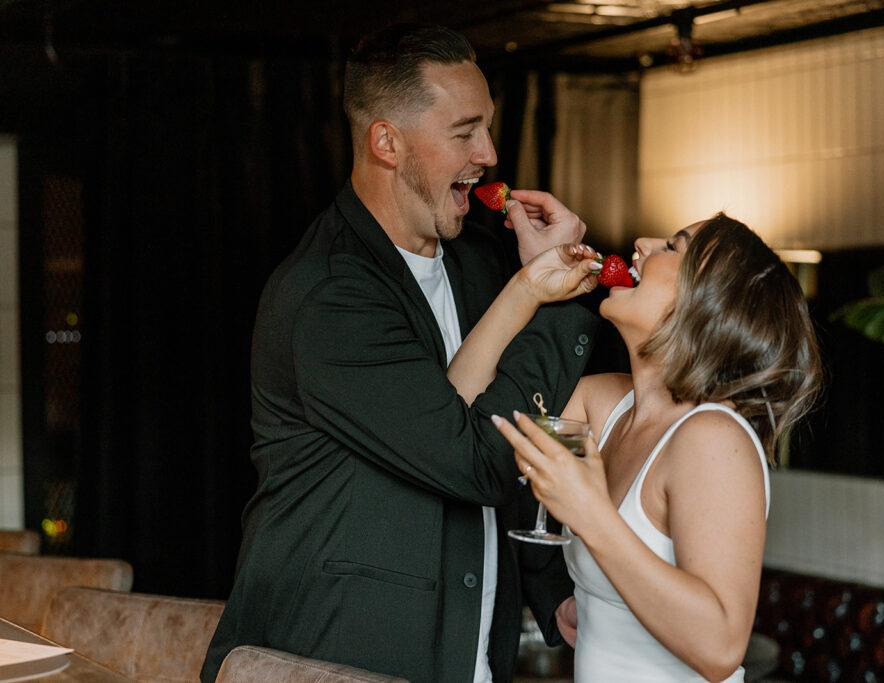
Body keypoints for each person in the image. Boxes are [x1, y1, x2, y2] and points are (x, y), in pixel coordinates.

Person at [201, 23, 603, 683]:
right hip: (337, 657)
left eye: (490, 127)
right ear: (387, 142)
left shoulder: (481, 264)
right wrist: (548, 302)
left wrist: (549, 584)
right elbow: (475, 458)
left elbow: (518, 457)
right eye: (465, 131)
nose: (491, 153)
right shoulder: (328, 297)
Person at [490, 213, 823, 682]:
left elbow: (721, 646)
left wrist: (590, 515)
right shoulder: (602, 403)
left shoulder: (712, 436)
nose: (641, 243)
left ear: (710, 303)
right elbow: (482, 421)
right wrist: (532, 281)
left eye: (673, 246)